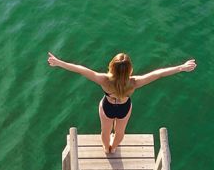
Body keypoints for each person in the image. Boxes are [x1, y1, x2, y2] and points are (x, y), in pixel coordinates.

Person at [47, 51, 197, 153]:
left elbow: (81, 69)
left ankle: (107, 149)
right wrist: (181, 67)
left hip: (107, 107)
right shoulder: (134, 82)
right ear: (129, 69)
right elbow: (158, 74)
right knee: (120, 131)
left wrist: (59, 62)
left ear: (111, 66)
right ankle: (114, 148)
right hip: (124, 108)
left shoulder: (104, 79)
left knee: (105, 131)